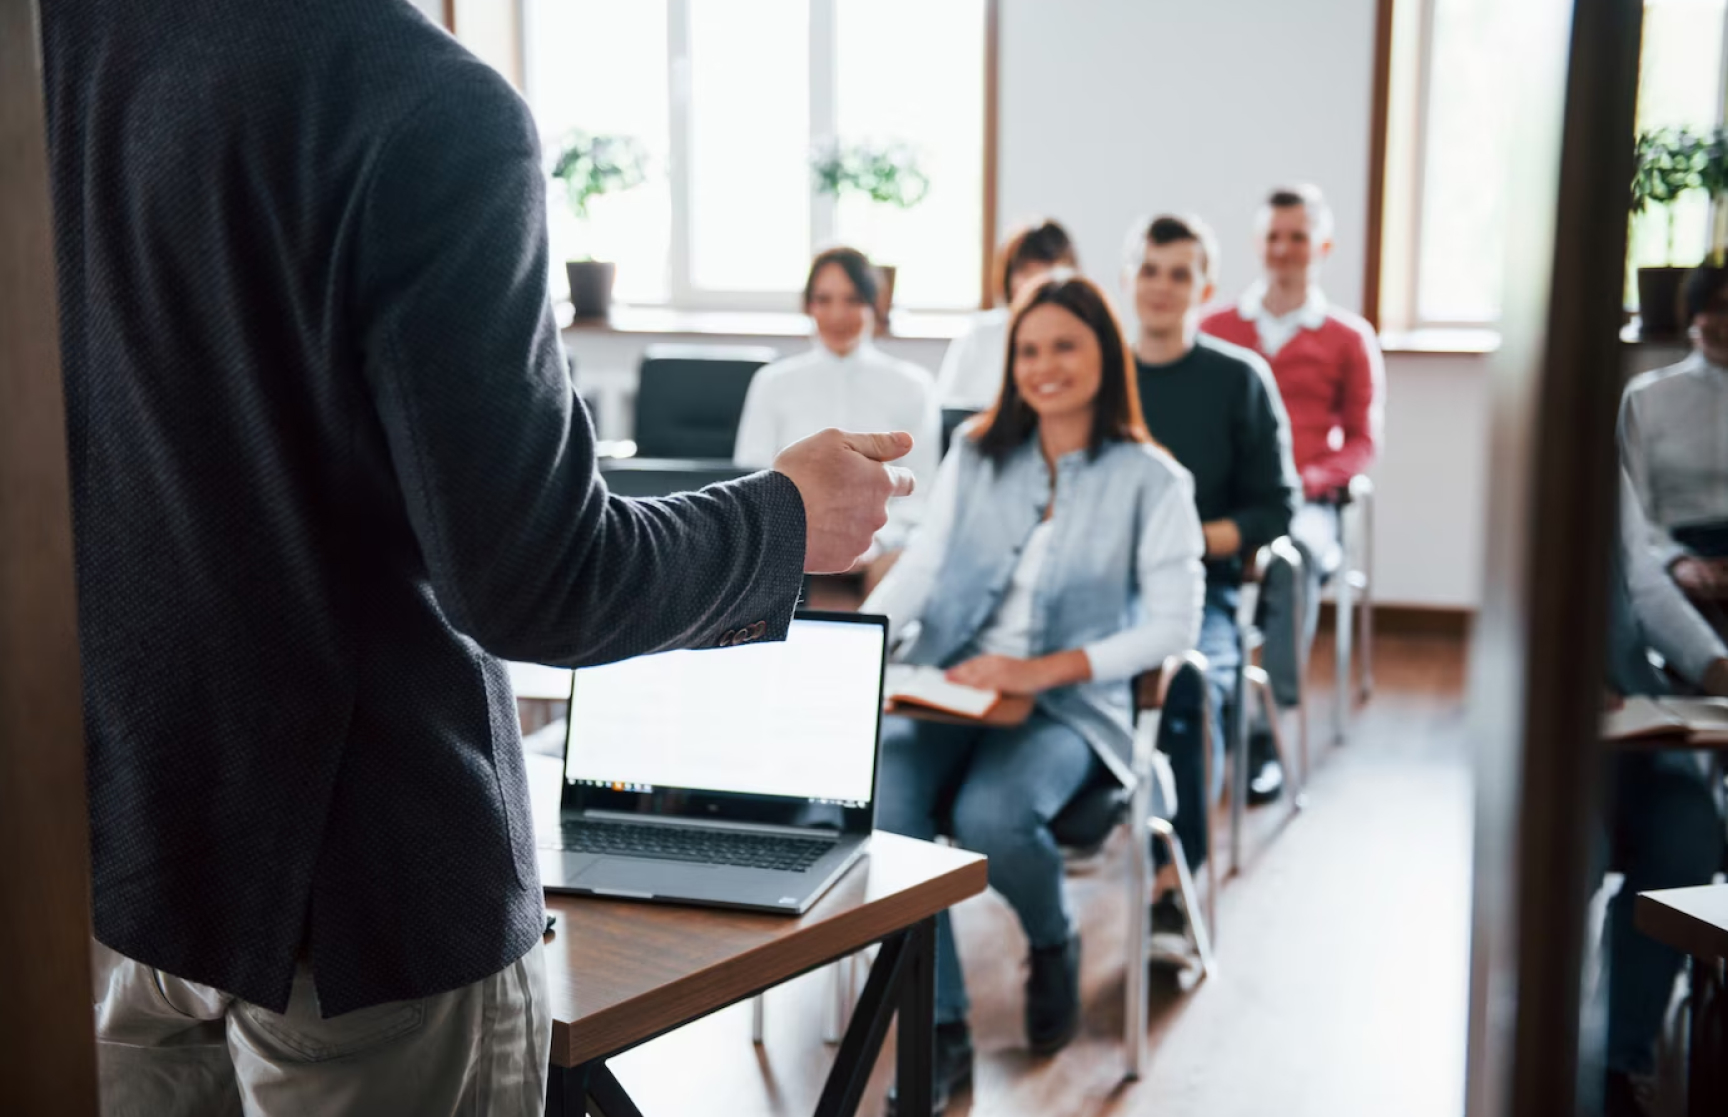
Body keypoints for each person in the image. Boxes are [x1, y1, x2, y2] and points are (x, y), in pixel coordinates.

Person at [45, 3, 914, 1114]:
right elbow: (541, 579)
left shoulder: (59, 50)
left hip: (125, 862)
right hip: (367, 908)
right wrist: (784, 520)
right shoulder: (420, 103)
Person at [865, 273, 1205, 1112]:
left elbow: (1173, 627)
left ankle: (1052, 940)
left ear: (1105, 356)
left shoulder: (1152, 479)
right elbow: (927, 565)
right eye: (1028, 350)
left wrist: (1041, 670)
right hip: (949, 681)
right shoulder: (979, 454)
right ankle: (939, 1029)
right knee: (885, 808)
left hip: (1066, 703)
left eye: (1066, 346)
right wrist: (857, 648)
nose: (1044, 365)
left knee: (990, 816)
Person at [1123, 214, 1299, 947]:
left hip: (1203, 586)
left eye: (1179, 273)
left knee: (1192, 685)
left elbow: (1274, 508)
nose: (1162, 287)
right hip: (1099, 589)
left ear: (1206, 286)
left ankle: (1173, 878)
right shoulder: (1099, 378)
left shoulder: (1239, 379)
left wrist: (1181, 541)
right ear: (1130, 276)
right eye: (1150, 269)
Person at [1201, 185, 1385, 779]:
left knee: (1293, 555)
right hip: (1226, 497)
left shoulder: (1348, 337)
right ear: (1258, 244)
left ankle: (1264, 723)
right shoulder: (1216, 326)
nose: (1284, 250)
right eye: (1273, 237)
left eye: (1297, 237)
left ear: (1321, 245)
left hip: (1305, 501)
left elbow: (1363, 439)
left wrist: (1312, 478)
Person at [1600, 470, 1728, 1116]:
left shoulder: (1605, 461)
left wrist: (1715, 665)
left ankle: (1620, 1058)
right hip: (1556, 727)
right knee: (1577, 847)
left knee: (1690, 831)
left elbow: (1644, 582)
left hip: (1635, 708)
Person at [735, 247, 940, 591]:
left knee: (902, 575)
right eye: (824, 300)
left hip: (881, 546)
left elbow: (923, 492)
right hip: (790, 543)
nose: (837, 314)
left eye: (852, 300)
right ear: (808, 306)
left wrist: (874, 542)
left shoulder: (913, 386)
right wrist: (803, 539)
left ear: (874, 304)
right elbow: (750, 475)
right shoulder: (773, 383)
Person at [1620, 264, 1728, 609]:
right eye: (1720, 307)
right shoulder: (1647, 397)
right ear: (1695, 315)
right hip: (1676, 548)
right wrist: (1675, 561)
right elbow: (1631, 505)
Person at [934, 219, 1080, 411]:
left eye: (1046, 270)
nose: (1036, 283)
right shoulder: (980, 335)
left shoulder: (1083, 336)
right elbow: (948, 408)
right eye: (1025, 271)